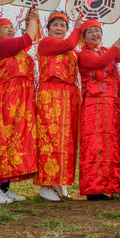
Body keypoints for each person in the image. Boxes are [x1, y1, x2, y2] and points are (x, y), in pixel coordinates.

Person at [0, 10, 40, 204]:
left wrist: (28, 23)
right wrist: (33, 21)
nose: (9, 30)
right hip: (9, 99)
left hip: (24, 99)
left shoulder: (15, 50)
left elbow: (27, 39)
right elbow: (26, 40)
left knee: (17, 143)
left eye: (11, 27)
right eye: (4, 27)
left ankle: (6, 189)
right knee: (4, 141)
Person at [77, 20, 120, 200]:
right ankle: (94, 189)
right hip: (95, 106)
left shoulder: (105, 51)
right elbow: (101, 62)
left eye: (97, 31)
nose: (95, 34)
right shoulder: (84, 55)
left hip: (113, 106)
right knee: (97, 147)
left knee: (117, 145)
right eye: (90, 32)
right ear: (83, 38)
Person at [34, 12, 83, 201]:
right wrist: (78, 26)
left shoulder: (72, 52)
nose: (59, 28)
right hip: (51, 93)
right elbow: (70, 43)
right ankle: (45, 185)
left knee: (67, 140)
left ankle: (60, 182)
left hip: (69, 95)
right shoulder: (46, 43)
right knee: (50, 138)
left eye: (63, 26)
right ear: (48, 28)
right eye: (55, 25)